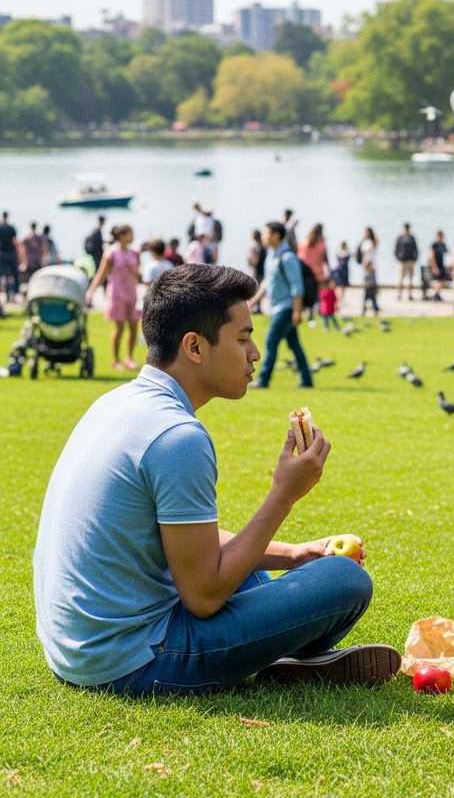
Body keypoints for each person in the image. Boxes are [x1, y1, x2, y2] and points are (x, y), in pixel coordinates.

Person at [33, 263, 399, 696]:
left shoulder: (117, 403)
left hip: (74, 650)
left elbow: (187, 541)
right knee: (345, 581)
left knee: (266, 570)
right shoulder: (177, 437)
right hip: (132, 662)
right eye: (242, 338)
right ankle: (284, 653)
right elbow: (203, 597)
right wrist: (285, 494)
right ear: (194, 347)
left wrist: (296, 555)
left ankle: (281, 650)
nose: (255, 354)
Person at [249, 221, 313, 389]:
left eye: (267, 233)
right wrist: (254, 301)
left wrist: (297, 311)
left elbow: (297, 286)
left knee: (271, 341)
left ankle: (264, 380)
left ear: (277, 235)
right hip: (278, 307)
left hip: (286, 308)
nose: (264, 237)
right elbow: (268, 283)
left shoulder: (288, 257)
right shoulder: (272, 255)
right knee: (294, 345)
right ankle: (307, 380)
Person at [86, 224, 142, 371]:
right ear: (122, 237)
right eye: (130, 233)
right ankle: (116, 360)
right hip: (117, 293)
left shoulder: (135, 253)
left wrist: (136, 272)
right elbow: (101, 274)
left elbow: (139, 275)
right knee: (120, 327)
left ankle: (129, 358)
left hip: (131, 292)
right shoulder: (111, 254)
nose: (133, 236)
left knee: (134, 326)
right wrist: (91, 291)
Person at [0, 210, 21, 304]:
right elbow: (15, 241)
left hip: (2, 253)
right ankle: (15, 292)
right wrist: (20, 255)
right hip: (11, 253)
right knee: (15, 274)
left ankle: (6, 291)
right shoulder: (11, 228)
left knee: (3, 274)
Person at [394, 222, 418, 301]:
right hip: (403, 261)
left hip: (409, 260)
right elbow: (396, 249)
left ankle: (409, 295)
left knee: (410, 279)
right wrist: (398, 258)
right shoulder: (401, 237)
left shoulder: (411, 238)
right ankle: (399, 294)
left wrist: (415, 259)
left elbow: (416, 249)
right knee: (401, 278)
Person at [428, 230, 448, 302]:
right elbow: (431, 255)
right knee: (438, 280)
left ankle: (437, 293)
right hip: (436, 265)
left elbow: (447, 253)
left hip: (441, 265)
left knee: (443, 280)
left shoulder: (443, 245)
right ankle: (436, 294)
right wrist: (434, 266)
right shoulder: (434, 245)